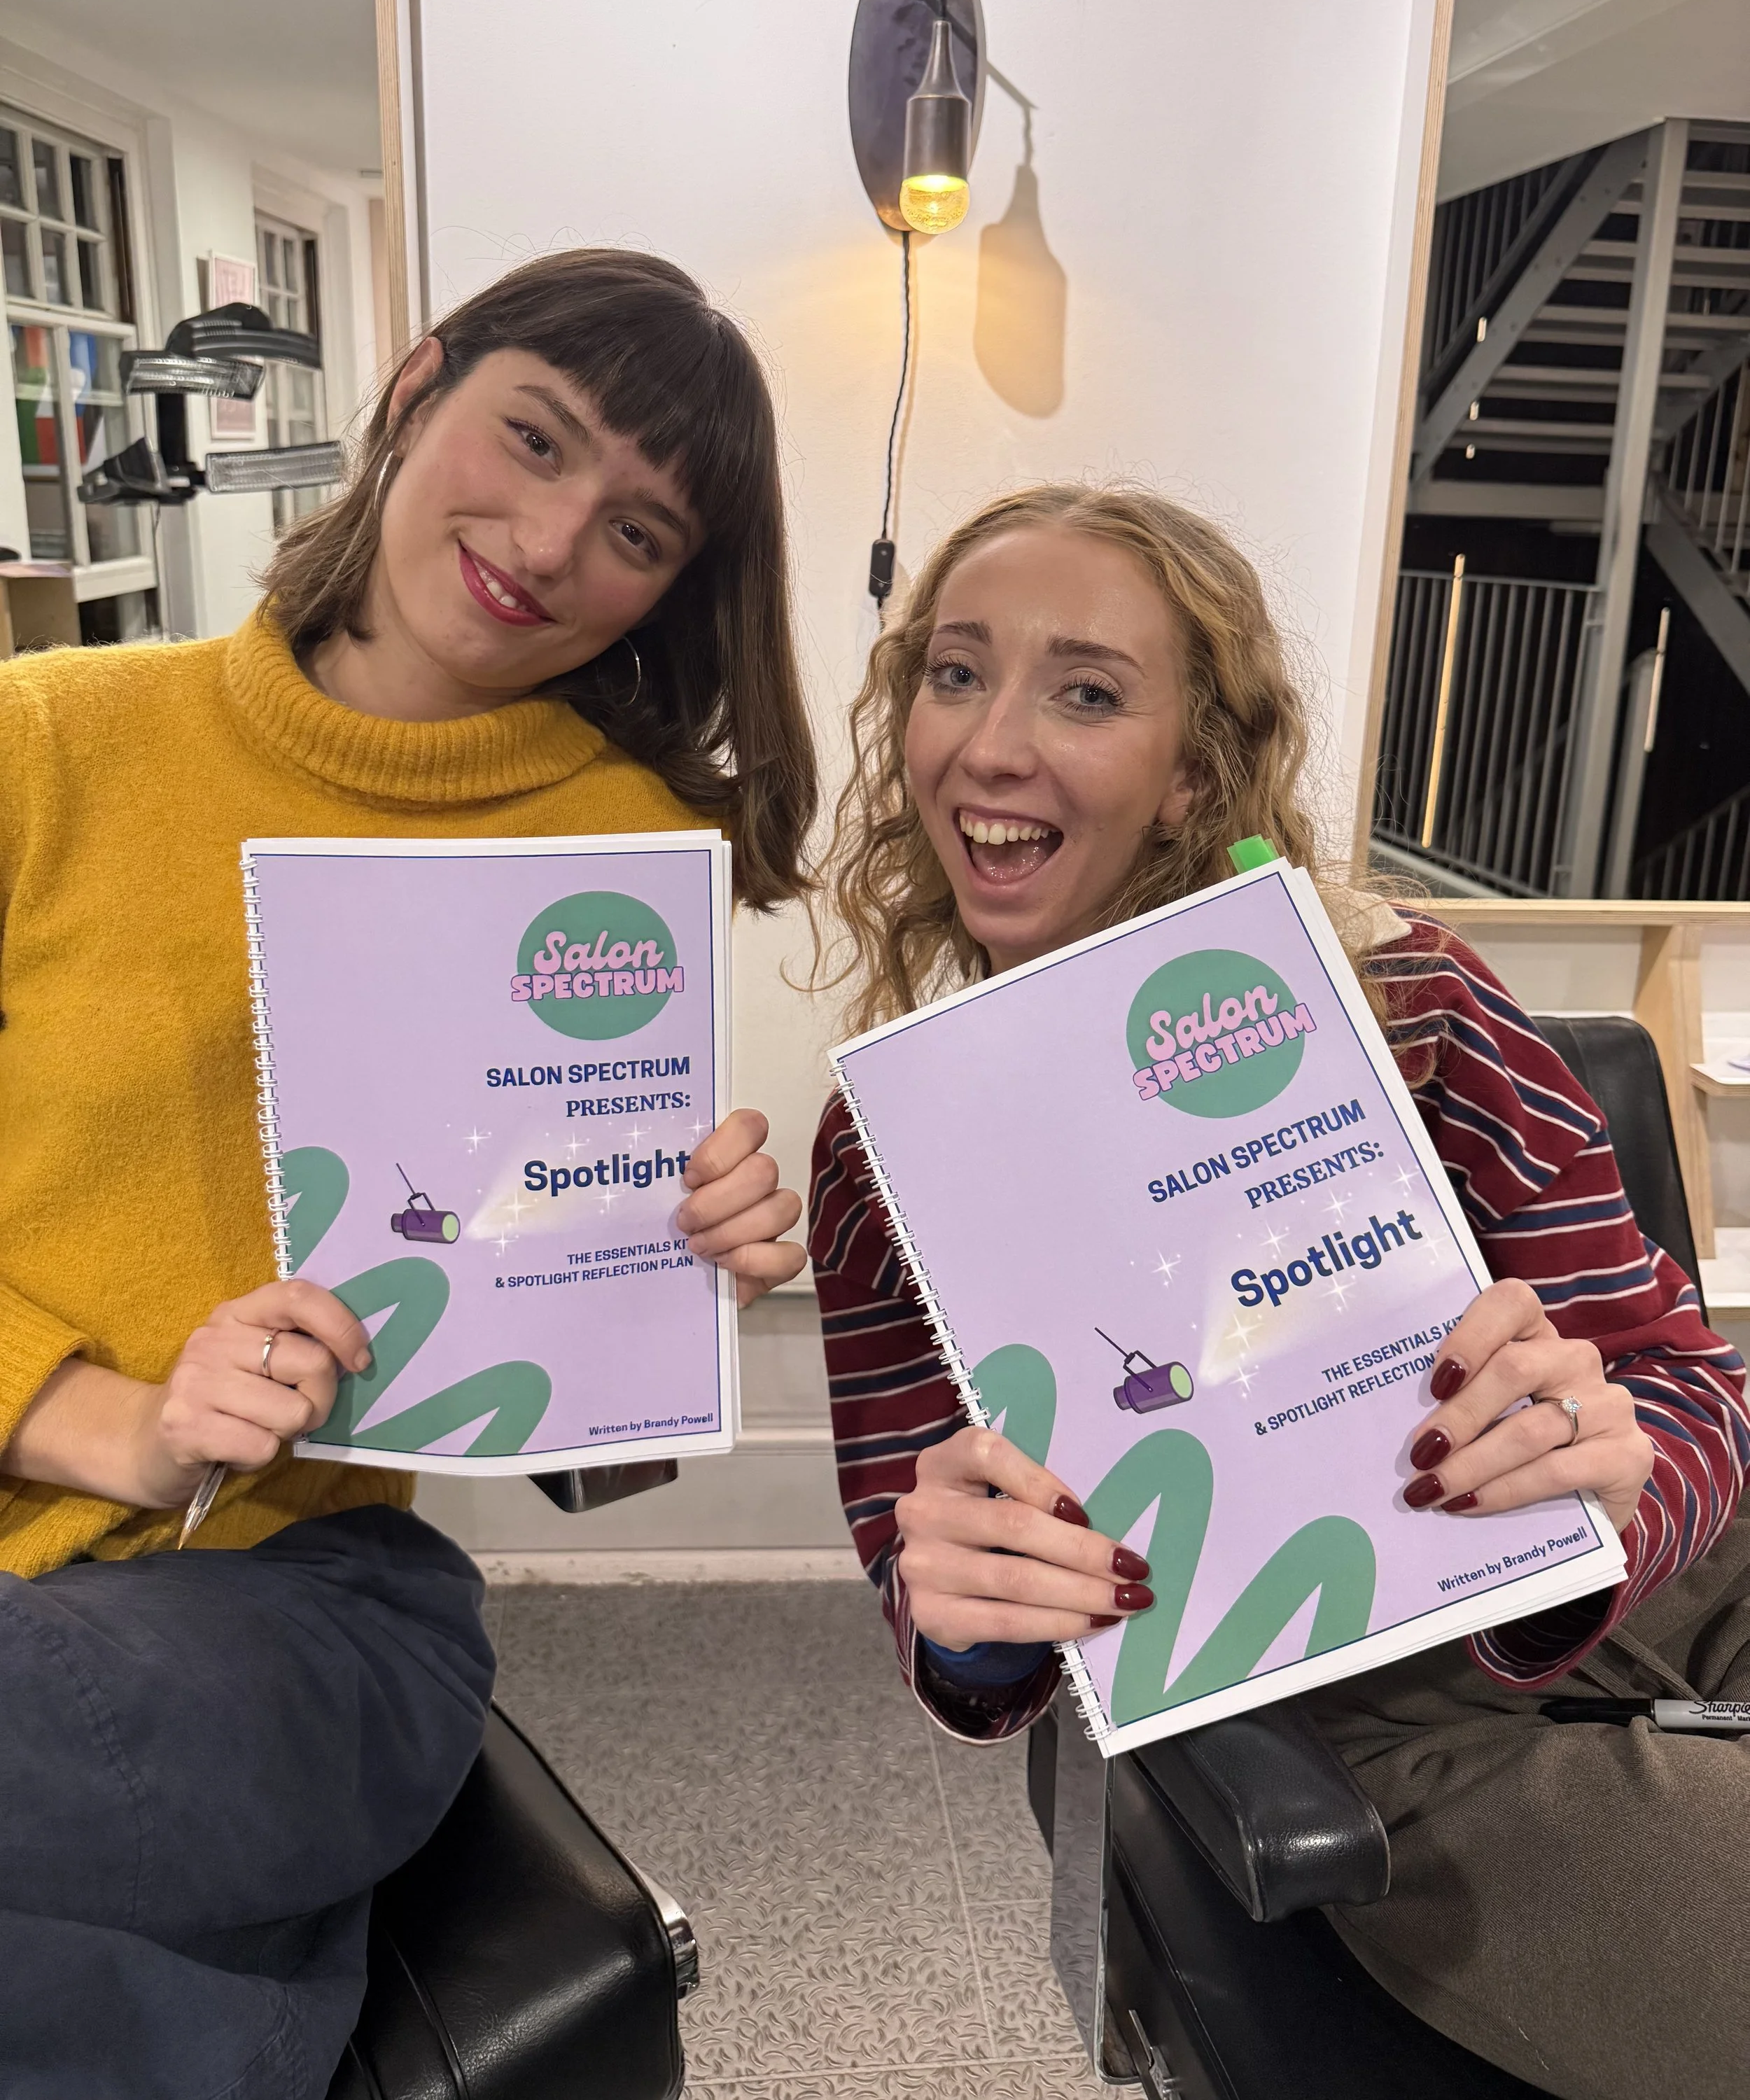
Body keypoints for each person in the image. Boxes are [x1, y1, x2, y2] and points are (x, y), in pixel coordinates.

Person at [806, 481, 1750, 2100]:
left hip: (1668, 1579)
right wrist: (963, 1616)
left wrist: (1611, 1469)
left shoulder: (1409, 1006)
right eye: (952, 673)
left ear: (1189, 772)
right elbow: (940, 1597)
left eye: (1083, 691)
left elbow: (1677, 1374)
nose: (989, 744)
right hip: (1381, 1720)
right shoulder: (891, 1152)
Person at [0, 249, 816, 2097]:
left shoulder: (618, 845)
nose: (549, 539)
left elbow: (588, 1456)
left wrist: (661, 1287)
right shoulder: (47, 743)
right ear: (415, 385)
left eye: (638, 531)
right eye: (531, 437)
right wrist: (118, 1420)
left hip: (297, 1596)